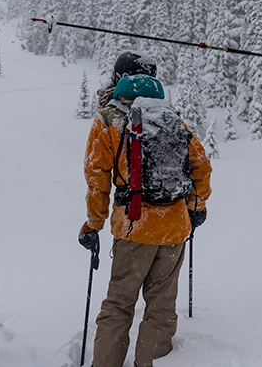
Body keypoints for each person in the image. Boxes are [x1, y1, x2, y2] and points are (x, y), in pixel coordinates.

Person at [79, 51, 213, 367]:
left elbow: (97, 177)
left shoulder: (109, 118)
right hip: (176, 226)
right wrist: (196, 206)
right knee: (162, 307)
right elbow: (201, 167)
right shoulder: (170, 116)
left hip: (134, 226)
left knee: (119, 305)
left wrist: (93, 224)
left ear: (118, 79)